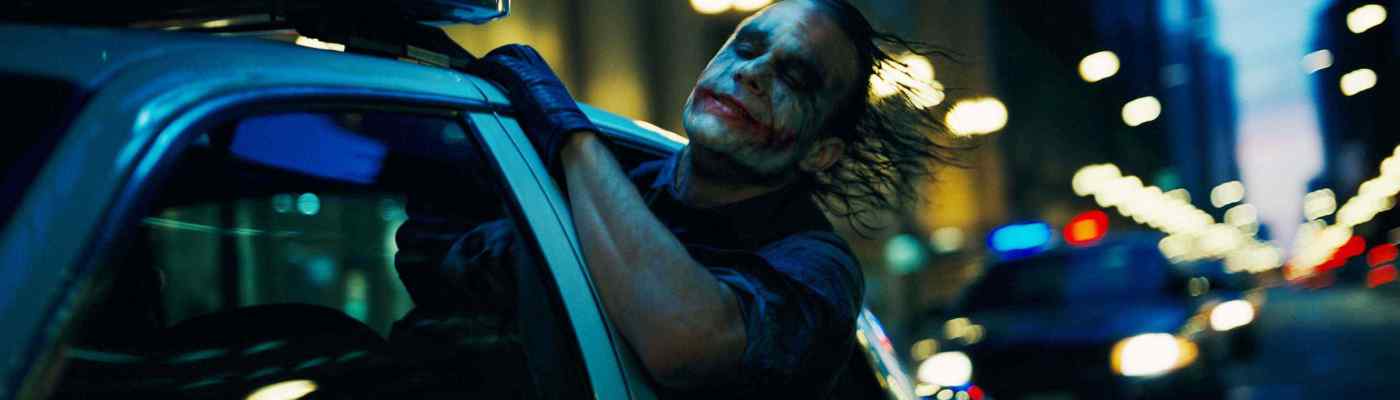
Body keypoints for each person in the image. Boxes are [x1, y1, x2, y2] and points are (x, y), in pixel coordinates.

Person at [394, 0, 960, 396]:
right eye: (746, 47)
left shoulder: (819, 267)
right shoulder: (625, 180)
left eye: (795, 77)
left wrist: (566, 132)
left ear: (821, 153)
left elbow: (689, 343)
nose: (753, 73)